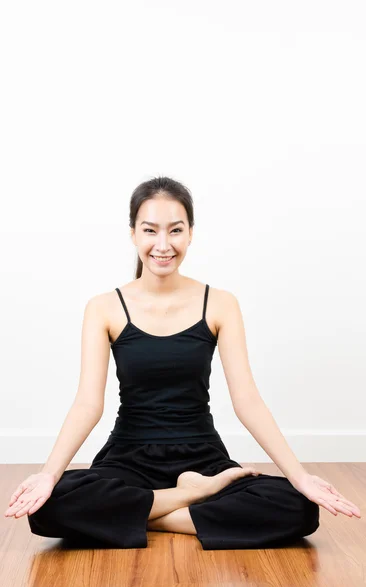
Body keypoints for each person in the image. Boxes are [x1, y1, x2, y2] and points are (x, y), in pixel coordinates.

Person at [4, 176, 361, 550]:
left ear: (190, 233)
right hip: (128, 457)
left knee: (300, 507)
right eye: (150, 231)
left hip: (202, 455)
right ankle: (187, 502)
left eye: (175, 230)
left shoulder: (220, 303)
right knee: (49, 505)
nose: (163, 245)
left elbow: (247, 401)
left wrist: (301, 477)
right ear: (133, 234)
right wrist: (47, 475)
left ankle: (138, 517)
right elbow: (88, 403)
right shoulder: (104, 308)